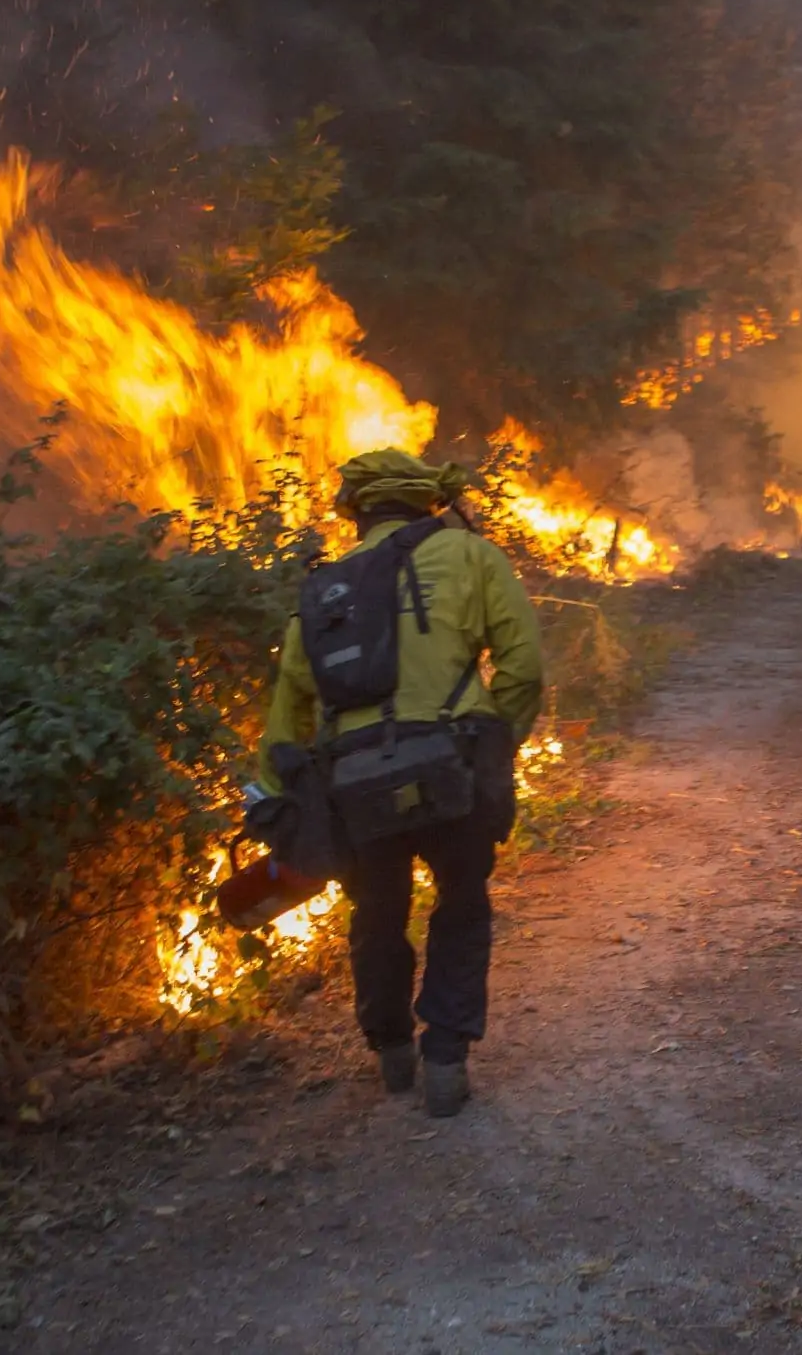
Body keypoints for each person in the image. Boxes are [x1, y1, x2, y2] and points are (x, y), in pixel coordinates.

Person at [261, 449, 544, 1118]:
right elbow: (524, 665)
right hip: (454, 764)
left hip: (356, 782)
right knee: (462, 903)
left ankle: (391, 1049)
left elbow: (289, 708)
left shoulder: (327, 586)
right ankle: (445, 1056)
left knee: (378, 911)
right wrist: (496, 740)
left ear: (354, 511)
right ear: (428, 502)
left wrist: (278, 798)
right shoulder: (472, 556)